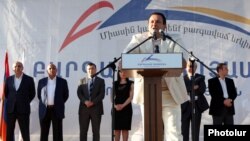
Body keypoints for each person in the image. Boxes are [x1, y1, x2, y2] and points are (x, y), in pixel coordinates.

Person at [123, 12, 189, 141]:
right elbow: (127, 55)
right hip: (147, 93)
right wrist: (154, 60)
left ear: (165, 26)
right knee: (150, 132)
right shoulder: (138, 39)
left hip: (170, 93)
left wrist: (153, 60)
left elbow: (182, 59)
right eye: (151, 22)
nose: (154, 24)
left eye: (158, 21)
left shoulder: (174, 38)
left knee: (173, 131)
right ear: (148, 25)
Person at [4, 61, 35, 141]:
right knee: (9, 132)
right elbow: (6, 93)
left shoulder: (29, 79)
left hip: (24, 110)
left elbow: (32, 93)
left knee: (25, 132)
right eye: (15, 66)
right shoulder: (8, 79)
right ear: (13, 69)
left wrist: (24, 102)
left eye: (19, 66)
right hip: (11, 110)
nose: (17, 68)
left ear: (22, 68)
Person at [37, 63, 69, 141]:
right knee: (44, 133)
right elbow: (39, 95)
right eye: (50, 68)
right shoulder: (41, 81)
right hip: (45, 110)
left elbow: (65, 95)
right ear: (47, 71)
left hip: (56, 110)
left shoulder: (63, 81)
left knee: (57, 133)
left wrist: (58, 103)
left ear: (56, 70)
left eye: (54, 68)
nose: (52, 70)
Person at [181, 60, 209, 141]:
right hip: (185, 107)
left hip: (196, 106)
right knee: (184, 130)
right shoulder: (182, 79)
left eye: (193, 66)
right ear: (186, 67)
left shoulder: (200, 77)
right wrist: (193, 87)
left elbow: (202, 89)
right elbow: (182, 90)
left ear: (196, 68)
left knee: (195, 130)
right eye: (189, 66)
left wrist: (189, 88)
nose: (191, 68)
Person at [77, 62, 105, 141]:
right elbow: (79, 93)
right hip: (83, 110)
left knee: (96, 132)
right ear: (86, 70)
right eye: (89, 69)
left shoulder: (101, 81)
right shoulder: (81, 81)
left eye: (92, 68)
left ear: (96, 70)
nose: (91, 70)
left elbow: (101, 94)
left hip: (96, 109)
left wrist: (92, 102)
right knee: (83, 132)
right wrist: (85, 101)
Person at [112, 69, 134, 141]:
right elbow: (111, 96)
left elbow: (131, 97)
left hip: (126, 109)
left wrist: (123, 105)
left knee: (125, 130)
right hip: (116, 109)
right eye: (121, 72)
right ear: (118, 73)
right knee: (116, 130)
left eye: (124, 72)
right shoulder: (115, 83)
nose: (123, 73)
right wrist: (115, 106)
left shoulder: (131, 83)